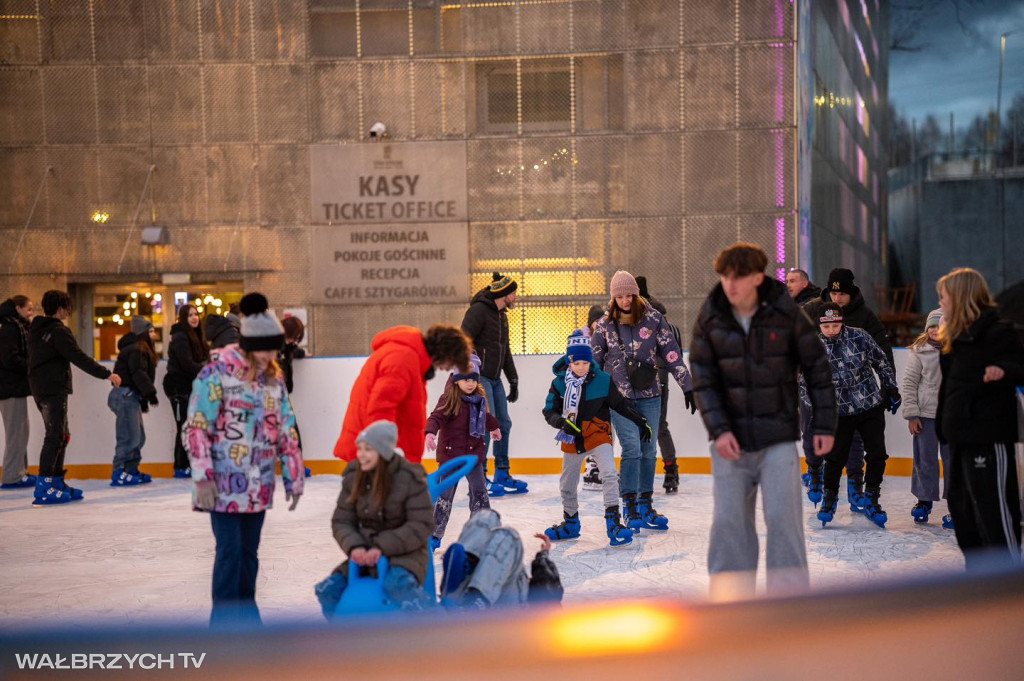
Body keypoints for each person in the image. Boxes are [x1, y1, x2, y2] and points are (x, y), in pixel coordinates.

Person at [689, 244, 835, 599]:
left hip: (778, 440)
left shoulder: (785, 312)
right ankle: (728, 603)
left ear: (757, 277)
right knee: (729, 525)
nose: (731, 284)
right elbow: (703, 379)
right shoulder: (710, 317)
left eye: (738, 277)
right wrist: (719, 430)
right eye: (725, 276)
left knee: (785, 524)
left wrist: (825, 424)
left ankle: (789, 608)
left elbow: (817, 366)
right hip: (730, 442)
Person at [184, 292, 304, 626]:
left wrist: (293, 476)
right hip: (221, 484)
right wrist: (203, 477)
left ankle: (248, 623)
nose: (270, 356)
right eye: (264, 349)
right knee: (229, 553)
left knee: (249, 556)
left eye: (274, 349)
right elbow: (196, 428)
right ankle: (223, 626)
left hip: (258, 482)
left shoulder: (273, 379)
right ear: (249, 345)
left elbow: (286, 428)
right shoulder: (215, 375)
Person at [935, 267, 1024, 570]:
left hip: (987, 437)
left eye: (944, 297)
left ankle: (1009, 587)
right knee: (963, 514)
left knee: (994, 515)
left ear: (960, 298)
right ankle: (979, 586)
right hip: (959, 438)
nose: (941, 303)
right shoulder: (956, 339)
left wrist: (1004, 371)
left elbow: (1019, 365)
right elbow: (949, 388)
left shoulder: (999, 332)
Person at [591, 270, 693, 532]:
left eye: (630, 295)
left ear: (637, 294)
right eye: (620, 296)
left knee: (649, 450)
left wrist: (687, 386)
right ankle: (630, 506)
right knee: (632, 449)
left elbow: (671, 354)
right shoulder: (604, 325)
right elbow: (595, 363)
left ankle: (646, 503)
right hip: (620, 397)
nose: (626, 300)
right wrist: (593, 397)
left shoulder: (654, 319)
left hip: (650, 395)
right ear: (613, 298)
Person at [541, 330, 651, 546]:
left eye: (585, 362)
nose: (581, 367)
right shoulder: (559, 384)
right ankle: (571, 523)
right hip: (572, 437)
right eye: (576, 362)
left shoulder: (602, 380)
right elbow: (548, 410)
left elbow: (621, 404)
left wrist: (640, 420)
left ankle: (613, 522)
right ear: (569, 361)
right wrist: (560, 422)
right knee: (567, 484)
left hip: (598, 434)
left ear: (590, 360)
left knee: (609, 474)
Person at [801, 268, 893, 510]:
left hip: (866, 401)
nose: (837, 297)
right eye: (833, 292)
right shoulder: (812, 312)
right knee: (826, 447)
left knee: (870, 450)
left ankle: (860, 487)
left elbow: (881, 354)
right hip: (834, 405)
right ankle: (819, 480)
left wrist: (890, 388)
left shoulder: (862, 325)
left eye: (842, 293)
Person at [326, 420, 435, 614]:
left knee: (398, 586)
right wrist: (355, 546)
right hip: (365, 554)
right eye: (359, 448)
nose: (361, 454)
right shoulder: (354, 476)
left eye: (368, 449)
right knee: (329, 590)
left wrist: (381, 546)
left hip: (405, 554)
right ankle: (342, 636)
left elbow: (422, 524)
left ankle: (427, 623)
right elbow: (342, 520)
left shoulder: (409, 478)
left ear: (383, 452)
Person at [28, 290, 121, 506]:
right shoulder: (57, 331)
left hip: (41, 387)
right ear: (61, 308)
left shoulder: (37, 329)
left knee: (62, 434)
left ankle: (56, 481)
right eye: (67, 307)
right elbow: (77, 356)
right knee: (54, 435)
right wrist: (106, 374)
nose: (68, 311)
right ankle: (44, 485)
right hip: (52, 388)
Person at [334, 324, 473, 465]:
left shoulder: (411, 357)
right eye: (450, 363)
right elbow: (381, 409)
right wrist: (383, 455)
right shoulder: (403, 358)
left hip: (380, 454)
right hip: (375, 458)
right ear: (445, 353)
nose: (445, 369)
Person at [461, 272, 528, 496]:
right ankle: (479, 480)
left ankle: (502, 472)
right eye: (514, 293)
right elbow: (463, 340)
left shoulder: (501, 316)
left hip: (496, 378)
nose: (516, 298)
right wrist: (471, 372)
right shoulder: (479, 311)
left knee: (504, 424)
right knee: (487, 428)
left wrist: (514, 379)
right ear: (504, 294)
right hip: (480, 377)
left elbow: (505, 351)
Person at [425, 355, 500, 550]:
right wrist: (430, 433)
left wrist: (494, 427)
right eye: (466, 379)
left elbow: (486, 418)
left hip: (473, 457)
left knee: (480, 493)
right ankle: (434, 535)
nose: (470, 383)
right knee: (445, 497)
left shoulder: (479, 399)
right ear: (457, 380)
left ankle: (482, 531)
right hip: (451, 458)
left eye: (474, 379)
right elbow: (436, 417)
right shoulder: (449, 398)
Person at [637, 275, 695, 494]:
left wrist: (685, 385)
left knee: (658, 425)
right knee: (645, 426)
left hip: (657, 381)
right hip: (636, 382)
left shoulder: (665, 326)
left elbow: (674, 357)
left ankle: (670, 470)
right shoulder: (626, 323)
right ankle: (650, 472)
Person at [439, 509, 564, 610]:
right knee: (487, 517)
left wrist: (543, 555)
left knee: (510, 538)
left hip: (511, 618)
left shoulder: (548, 615)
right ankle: (465, 565)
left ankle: (475, 601)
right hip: (475, 602)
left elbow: (547, 584)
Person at [903, 309, 953, 528]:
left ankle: (956, 505)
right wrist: (912, 415)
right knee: (925, 460)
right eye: (931, 326)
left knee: (954, 463)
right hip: (926, 416)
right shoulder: (919, 351)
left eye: (939, 326)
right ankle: (923, 501)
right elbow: (909, 384)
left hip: (952, 417)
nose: (935, 330)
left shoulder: (957, 350)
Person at [108, 316, 159, 486]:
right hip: (124, 395)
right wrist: (150, 393)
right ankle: (119, 471)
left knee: (139, 437)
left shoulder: (138, 349)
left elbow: (137, 375)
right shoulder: (136, 349)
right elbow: (137, 373)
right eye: (151, 331)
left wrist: (144, 400)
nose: (155, 335)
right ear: (143, 333)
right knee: (129, 437)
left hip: (130, 395)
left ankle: (131, 469)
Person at [163, 305, 209, 478]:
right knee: (183, 425)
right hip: (177, 387)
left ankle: (188, 463)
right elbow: (186, 364)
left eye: (196, 314)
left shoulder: (196, 336)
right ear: (183, 318)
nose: (194, 317)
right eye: (190, 315)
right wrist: (205, 369)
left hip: (188, 386)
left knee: (190, 426)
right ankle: (181, 466)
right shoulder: (181, 336)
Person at [0, 295, 36, 489]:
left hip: (15, 388)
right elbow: (9, 359)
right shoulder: (10, 328)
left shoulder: (15, 327)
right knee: (16, 433)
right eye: (28, 309)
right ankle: (13, 475)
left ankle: (19, 472)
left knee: (21, 432)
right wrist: (31, 367)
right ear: (17, 308)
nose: (30, 313)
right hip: (10, 388)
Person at [580, 304, 607, 492]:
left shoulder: (607, 337)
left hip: (602, 391)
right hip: (588, 393)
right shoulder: (582, 341)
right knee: (591, 430)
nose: (599, 324)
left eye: (602, 321)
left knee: (603, 430)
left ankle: (598, 469)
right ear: (591, 323)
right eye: (597, 321)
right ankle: (591, 470)